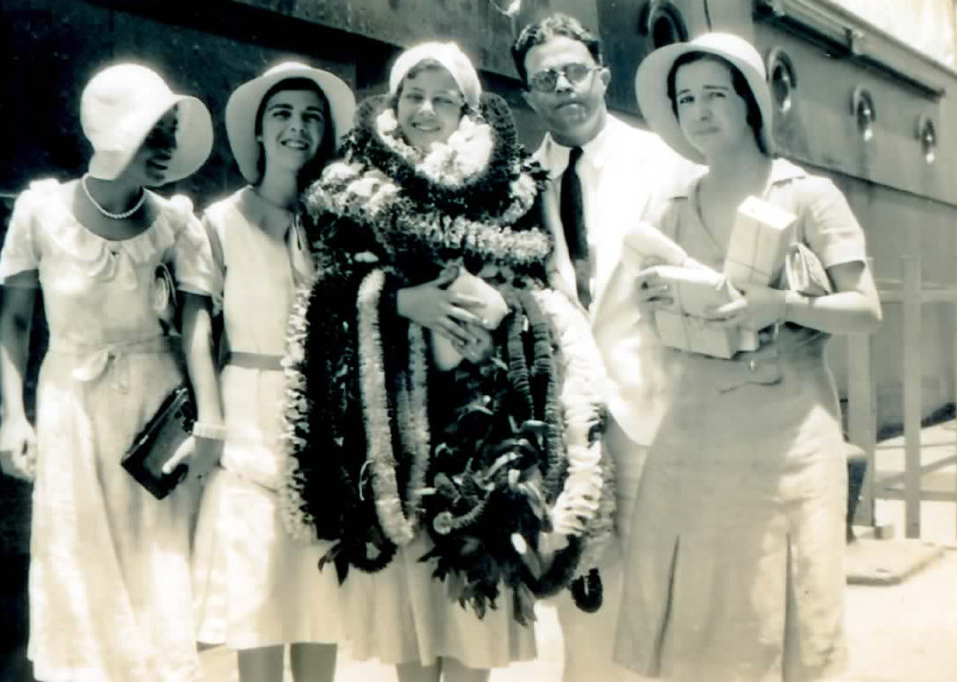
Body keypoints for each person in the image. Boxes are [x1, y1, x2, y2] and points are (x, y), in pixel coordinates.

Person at [281, 42, 614, 682]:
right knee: (413, 621)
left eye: (443, 98)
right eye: (413, 95)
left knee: (473, 620)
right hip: (396, 434)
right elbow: (322, 299)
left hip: (486, 432)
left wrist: (497, 305)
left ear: (467, 107)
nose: (426, 110)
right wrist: (401, 301)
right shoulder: (350, 186)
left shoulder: (512, 184)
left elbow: (546, 289)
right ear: (394, 101)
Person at [613, 33, 882, 681]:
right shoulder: (671, 207)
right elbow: (654, 325)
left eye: (715, 94)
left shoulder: (809, 196)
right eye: (685, 99)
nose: (700, 111)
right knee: (695, 618)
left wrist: (782, 304)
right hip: (695, 437)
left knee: (780, 616)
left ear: (751, 102)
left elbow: (866, 311)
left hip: (785, 440)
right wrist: (660, 298)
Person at [0, 63, 215, 681]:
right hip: (72, 404)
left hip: (154, 412)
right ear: (114, 132)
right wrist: (15, 416)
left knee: (156, 563)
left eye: (172, 131)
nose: (167, 147)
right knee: (74, 558)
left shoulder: (175, 223)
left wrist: (208, 419)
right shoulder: (42, 213)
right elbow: (15, 322)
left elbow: (197, 323)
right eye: (154, 132)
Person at [511, 14, 689, 681]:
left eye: (574, 71)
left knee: (668, 605)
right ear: (529, 96)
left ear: (602, 76)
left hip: (655, 416)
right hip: (565, 431)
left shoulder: (665, 164)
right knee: (587, 614)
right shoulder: (517, 182)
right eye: (545, 80)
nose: (563, 87)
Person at [178, 61, 355, 682]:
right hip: (248, 429)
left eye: (312, 117)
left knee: (317, 608)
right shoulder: (221, 222)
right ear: (258, 130)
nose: (296, 128)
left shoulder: (338, 223)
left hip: (323, 433)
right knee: (255, 607)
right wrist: (211, 415)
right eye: (282, 114)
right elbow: (197, 324)